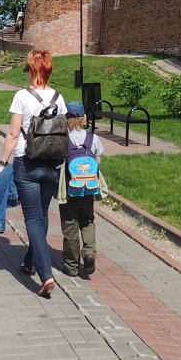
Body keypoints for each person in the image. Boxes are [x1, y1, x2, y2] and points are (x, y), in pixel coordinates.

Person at [0, 49, 67, 297]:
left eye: (27, 68)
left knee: (34, 219)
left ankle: (45, 274)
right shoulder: (59, 98)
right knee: (42, 215)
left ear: (32, 70)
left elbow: (14, 134)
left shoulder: (22, 96)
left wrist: (3, 163)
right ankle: (29, 262)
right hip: (52, 163)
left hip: (27, 162)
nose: (25, 73)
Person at [58, 102, 104, 277]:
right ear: (85, 118)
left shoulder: (63, 139)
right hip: (88, 187)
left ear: (66, 119)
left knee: (70, 224)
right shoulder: (93, 138)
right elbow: (98, 160)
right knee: (87, 219)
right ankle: (89, 252)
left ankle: (71, 266)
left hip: (69, 188)